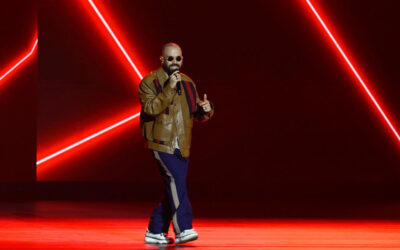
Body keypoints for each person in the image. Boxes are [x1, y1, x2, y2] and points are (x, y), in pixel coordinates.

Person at [138, 42, 214, 245]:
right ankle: (184, 228)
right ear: (162, 60)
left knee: (174, 187)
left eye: (178, 58)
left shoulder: (188, 82)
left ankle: (155, 230)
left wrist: (206, 109)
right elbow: (150, 108)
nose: (174, 62)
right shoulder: (150, 82)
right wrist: (169, 88)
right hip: (161, 142)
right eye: (170, 59)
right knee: (176, 183)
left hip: (183, 143)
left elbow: (195, 113)